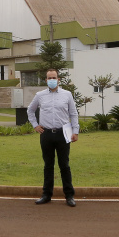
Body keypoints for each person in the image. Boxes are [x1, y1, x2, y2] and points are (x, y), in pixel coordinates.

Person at [27, 68, 79, 207]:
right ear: (46, 80)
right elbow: (30, 110)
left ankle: (69, 196)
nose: (51, 80)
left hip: (63, 133)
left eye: (54, 77)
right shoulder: (40, 95)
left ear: (59, 79)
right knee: (48, 165)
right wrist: (35, 125)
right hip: (46, 134)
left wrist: (76, 131)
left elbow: (73, 114)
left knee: (64, 165)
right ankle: (46, 195)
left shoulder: (67, 95)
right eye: (49, 78)